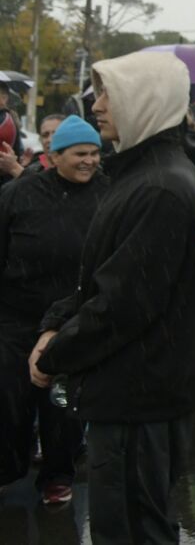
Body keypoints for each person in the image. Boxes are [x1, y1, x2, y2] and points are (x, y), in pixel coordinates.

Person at [29, 51, 195, 545]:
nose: (97, 105)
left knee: (133, 530)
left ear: (145, 100)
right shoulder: (139, 173)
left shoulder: (160, 186)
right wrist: (56, 321)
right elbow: (99, 277)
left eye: (109, 93)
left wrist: (55, 353)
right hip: (134, 393)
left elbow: (122, 304)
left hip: (140, 400)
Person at [0, 115, 107, 506]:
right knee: (10, 400)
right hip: (17, 317)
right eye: (80, 154)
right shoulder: (19, 194)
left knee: (62, 405)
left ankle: (58, 475)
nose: (89, 161)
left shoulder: (108, 195)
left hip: (72, 320)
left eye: (94, 153)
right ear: (55, 155)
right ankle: (8, 468)